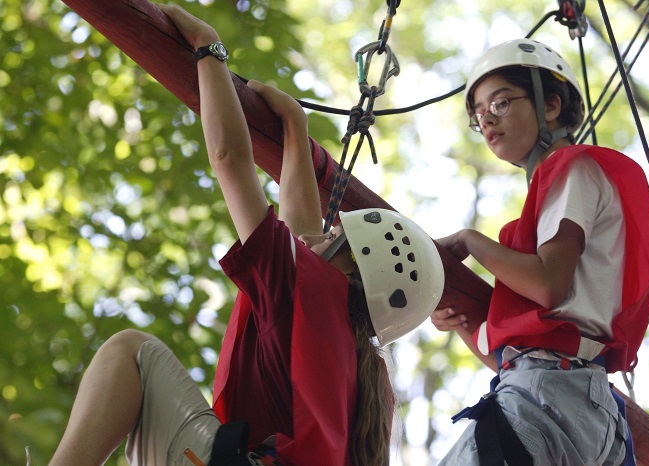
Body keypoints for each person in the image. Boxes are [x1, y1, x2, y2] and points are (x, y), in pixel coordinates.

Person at [48, 4, 444, 466]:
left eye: (335, 232)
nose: (323, 231)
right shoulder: (350, 363)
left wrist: (208, 49)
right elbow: (299, 234)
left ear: (355, 262)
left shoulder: (310, 293)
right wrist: (295, 133)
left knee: (131, 353)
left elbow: (229, 158)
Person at [431, 39, 649, 466]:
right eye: (478, 114)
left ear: (550, 107)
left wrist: (469, 240)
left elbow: (547, 286)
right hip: (589, 411)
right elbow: (517, 355)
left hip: (550, 398)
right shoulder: (559, 194)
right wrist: (463, 323)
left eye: (499, 103)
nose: (486, 119)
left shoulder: (572, 167)